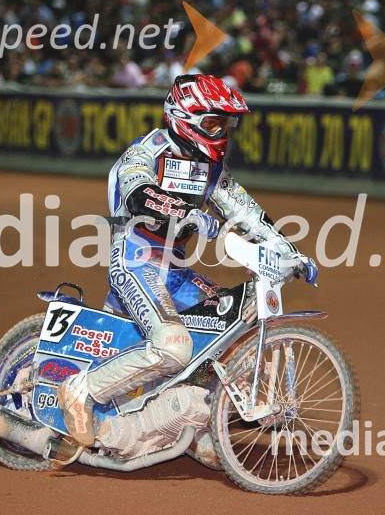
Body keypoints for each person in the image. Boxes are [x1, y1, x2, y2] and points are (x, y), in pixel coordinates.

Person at [58, 74, 318, 446]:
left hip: (175, 270)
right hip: (135, 260)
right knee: (175, 345)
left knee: (229, 324)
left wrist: (290, 252)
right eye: (213, 123)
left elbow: (247, 214)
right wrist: (187, 214)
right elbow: (140, 196)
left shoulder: (211, 169)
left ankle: (189, 424)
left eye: (225, 124)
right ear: (185, 117)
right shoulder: (146, 151)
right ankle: (80, 390)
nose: (222, 132)